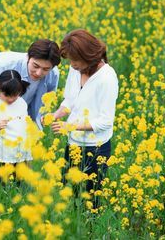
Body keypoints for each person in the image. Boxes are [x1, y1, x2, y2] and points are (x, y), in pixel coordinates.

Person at [50, 29, 119, 209]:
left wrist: (70, 126)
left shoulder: (107, 78)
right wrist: (57, 114)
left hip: (95, 149)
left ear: (88, 56)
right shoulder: (77, 69)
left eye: (74, 60)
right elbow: (71, 99)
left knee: (91, 202)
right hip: (73, 144)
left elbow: (105, 122)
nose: (71, 64)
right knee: (69, 196)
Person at [0, 39, 61, 164]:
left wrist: (41, 118)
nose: (39, 73)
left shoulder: (53, 73)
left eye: (46, 69)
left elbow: (47, 98)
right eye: (35, 66)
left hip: (20, 113)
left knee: (20, 158)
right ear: (28, 57)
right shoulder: (4, 64)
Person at [0, 70, 31, 178]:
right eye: (6, 95)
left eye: (15, 95)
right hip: (2, 156)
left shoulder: (22, 103)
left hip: (20, 156)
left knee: (19, 188)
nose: (10, 99)